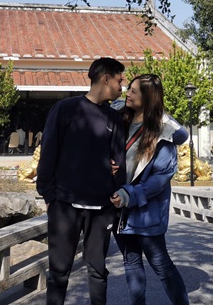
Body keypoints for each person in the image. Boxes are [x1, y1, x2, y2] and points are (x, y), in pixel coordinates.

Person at [36, 57, 127, 305]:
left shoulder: (114, 119)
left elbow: (119, 165)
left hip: (101, 209)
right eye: (119, 81)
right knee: (58, 272)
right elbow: (48, 153)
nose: (122, 87)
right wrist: (49, 197)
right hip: (65, 206)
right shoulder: (66, 109)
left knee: (98, 271)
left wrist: (115, 203)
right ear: (105, 79)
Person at [110, 74, 190, 305]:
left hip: (146, 211)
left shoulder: (163, 133)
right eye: (130, 89)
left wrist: (129, 195)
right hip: (120, 209)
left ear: (148, 98)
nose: (128, 93)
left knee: (161, 265)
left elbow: (160, 178)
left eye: (134, 91)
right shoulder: (120, 120)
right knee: (131, 262)